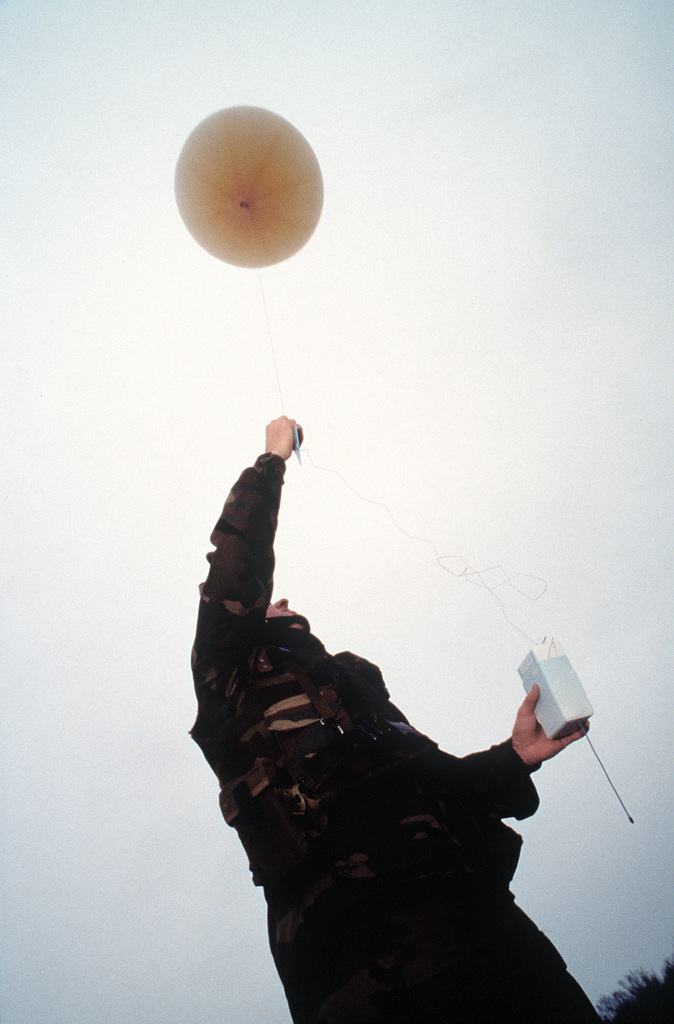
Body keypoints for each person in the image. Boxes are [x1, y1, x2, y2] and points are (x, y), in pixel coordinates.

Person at [190, 416, 601, 1024]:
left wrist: (513, 758)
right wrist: (272, 461)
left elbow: (438, 785)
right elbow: (233, 576)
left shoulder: (356, 684)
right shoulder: (231, 675)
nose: (282, 600)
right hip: (356, 958)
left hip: (486, 926)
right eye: (271, 601)